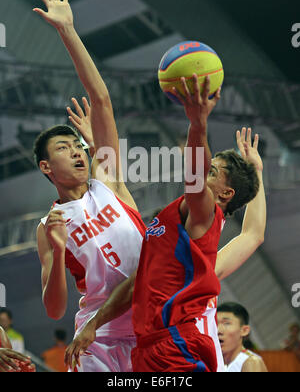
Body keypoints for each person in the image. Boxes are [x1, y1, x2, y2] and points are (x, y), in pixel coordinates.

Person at [63, 99, 266, 372]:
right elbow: (253, 234)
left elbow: (196, 181)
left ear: (225, 194)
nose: (204, 173)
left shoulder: (204, 216)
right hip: (151, 347)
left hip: (177, 347)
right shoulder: (190, 260)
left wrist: (197, 123)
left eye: (212, 171)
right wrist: (258, 171)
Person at [33, 0, 146, 372]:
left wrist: (68, 31)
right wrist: (60, 248)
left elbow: (101, 100)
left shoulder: (107, 179)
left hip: (151, 320)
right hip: (97, 339)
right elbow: (53, 309)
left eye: (77, 144)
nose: (77, 151)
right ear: (46, 167)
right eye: (63, 148)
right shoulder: (49, 225)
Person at [217, 302, 268, 372]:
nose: (218, 330)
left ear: (244, 330)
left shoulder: (251, 362)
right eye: (215, 323)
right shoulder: (216, 363)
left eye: (226, 323)